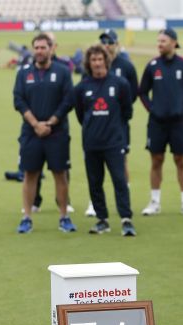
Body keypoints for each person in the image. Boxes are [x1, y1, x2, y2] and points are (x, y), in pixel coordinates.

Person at [12, 32, 74, 234]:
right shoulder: (24, 73)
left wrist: (50, 122)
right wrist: (35, 124)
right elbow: (19, 100)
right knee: (30, 174)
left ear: (51, 49)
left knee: (60, 174)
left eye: (43, 47)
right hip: (31, 133)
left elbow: (68, 100)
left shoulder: (63, 71)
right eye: (36, 48)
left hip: (57, 133)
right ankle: (27, 217)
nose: (39, 51)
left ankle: (64, 216)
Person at [71, 45, 136, 237]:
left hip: (114, 143)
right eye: (94, 60)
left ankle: (126, 220)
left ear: (106, 61)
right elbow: (80, 115)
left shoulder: (120, 84)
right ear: (89, 64)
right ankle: (102, 220)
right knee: (95, 182)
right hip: (91, 143)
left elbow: (127, 112)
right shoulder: (82, 87)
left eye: (100, 59)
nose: (97, 63)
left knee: (119, 181)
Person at [138, 28, 183, 216]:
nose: (160, 44)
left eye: (163, 41)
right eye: (158, 41)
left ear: (174, 42)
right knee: (156, 160)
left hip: (178, 122)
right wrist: (152, 109)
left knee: (180, 160)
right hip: (157, 123)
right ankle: (154, 202)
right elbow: (142, 91)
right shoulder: (152, 65)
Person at [82, 29, 139, 218]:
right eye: (104, 42)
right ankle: (94, 203)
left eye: (110, 42)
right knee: (95, 168)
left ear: (116, 44)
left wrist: (116, 114)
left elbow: (132, 95)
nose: (107, 45)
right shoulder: (90, 68)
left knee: (121, 163)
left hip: (119, 123)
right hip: (97, 124)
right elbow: (82, 102)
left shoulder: (126, 66)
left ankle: (124, 203)